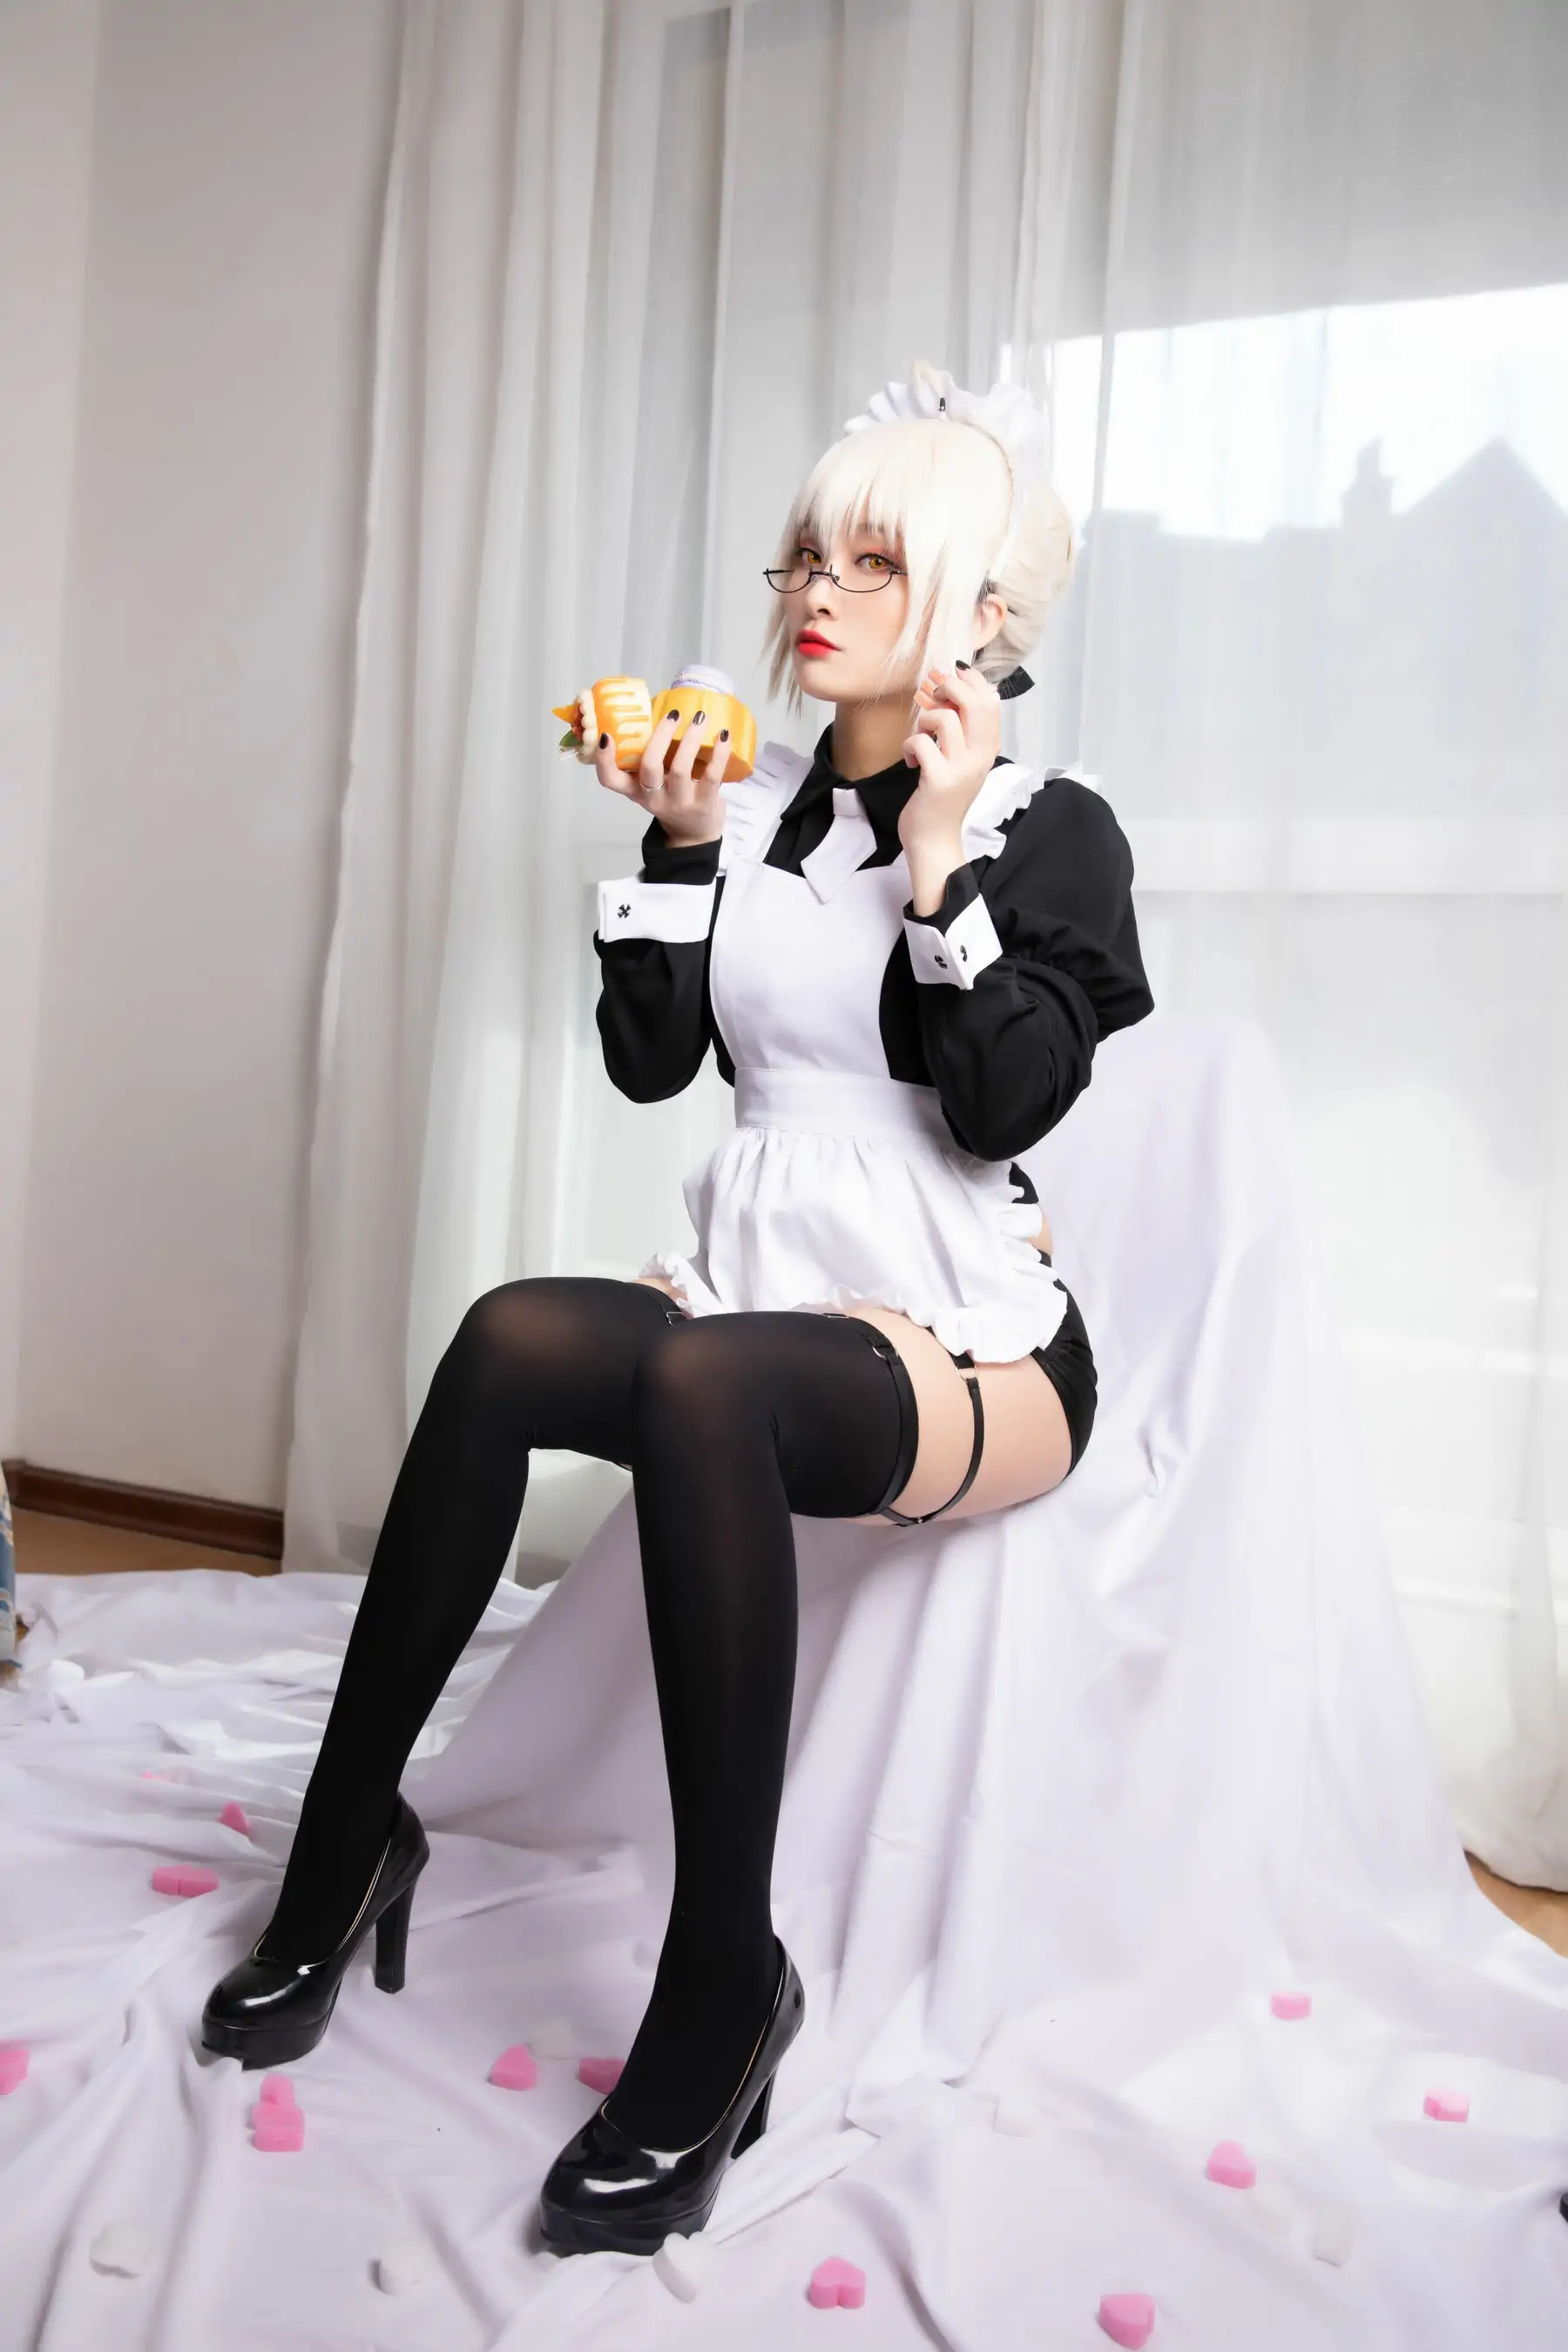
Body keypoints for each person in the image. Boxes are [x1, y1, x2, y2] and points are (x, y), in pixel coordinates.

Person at [199, 362, 1155, 2258]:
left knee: (703, 1382)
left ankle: (725, 1984)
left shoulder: (1051, 827)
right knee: (509, 1338)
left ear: (976, 613)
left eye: (872, 561)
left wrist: (941, 855)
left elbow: (999, 1107)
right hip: (756, 1302)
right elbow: (653, 1068)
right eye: (808, 551)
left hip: (973, 1346)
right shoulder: (761, 799)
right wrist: (682, 843)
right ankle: (346, 1842)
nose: (816, 590)